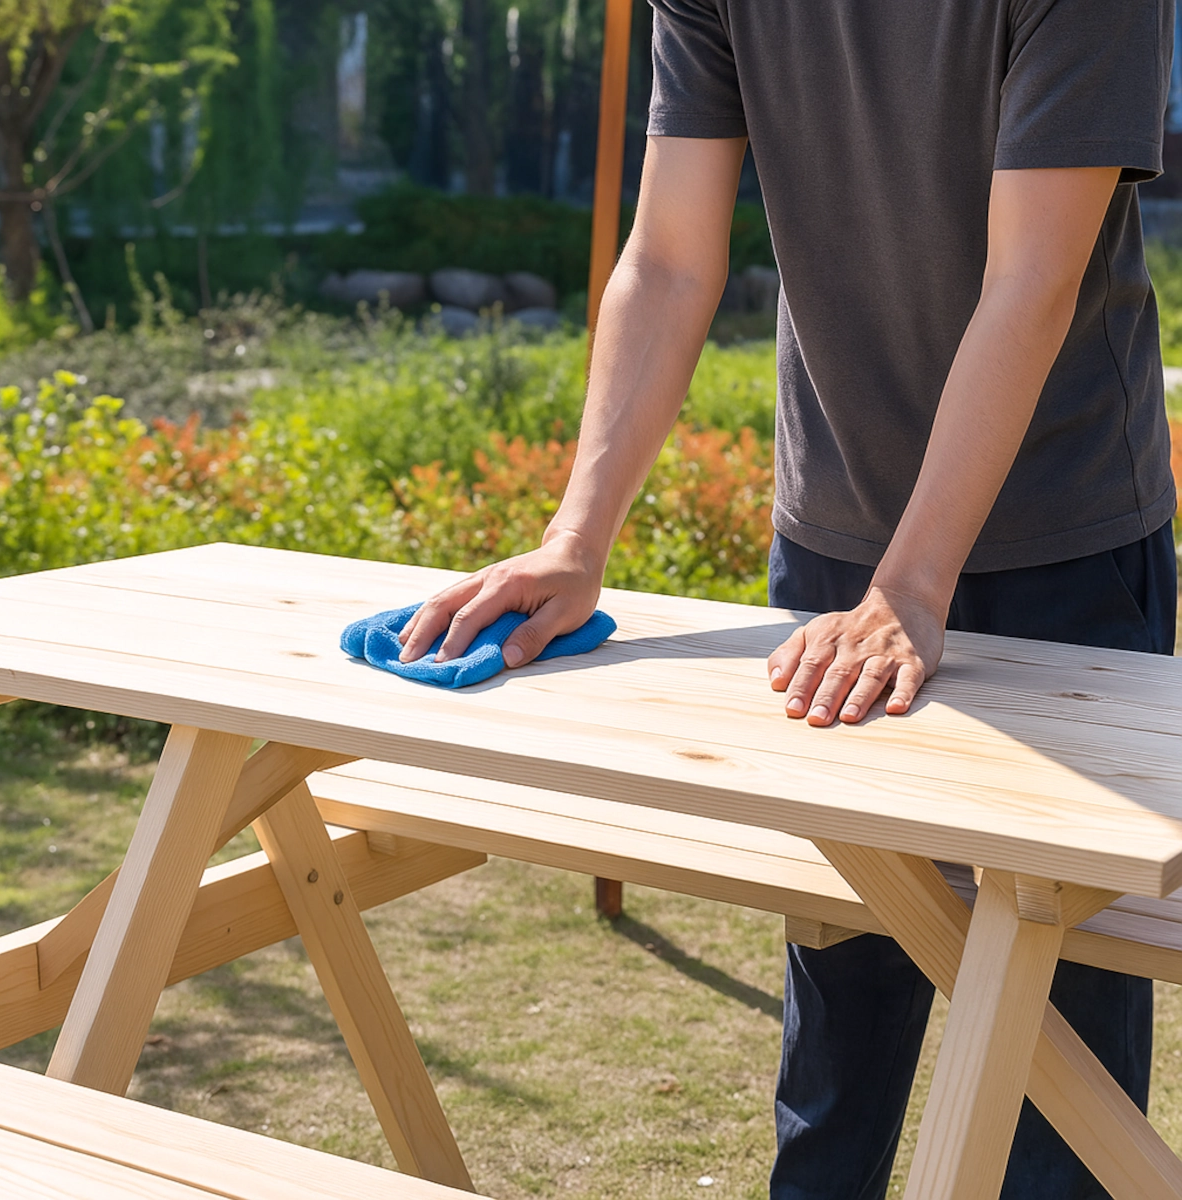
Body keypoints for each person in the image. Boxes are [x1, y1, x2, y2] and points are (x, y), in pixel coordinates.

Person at [398, 1, 1179, 1195]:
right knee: (840, 1036)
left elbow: (1032, 277)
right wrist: (574, 541)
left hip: (1062, 549)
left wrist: (913, 584)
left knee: (1059, 1057)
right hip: (833, 552)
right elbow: (667, 259)